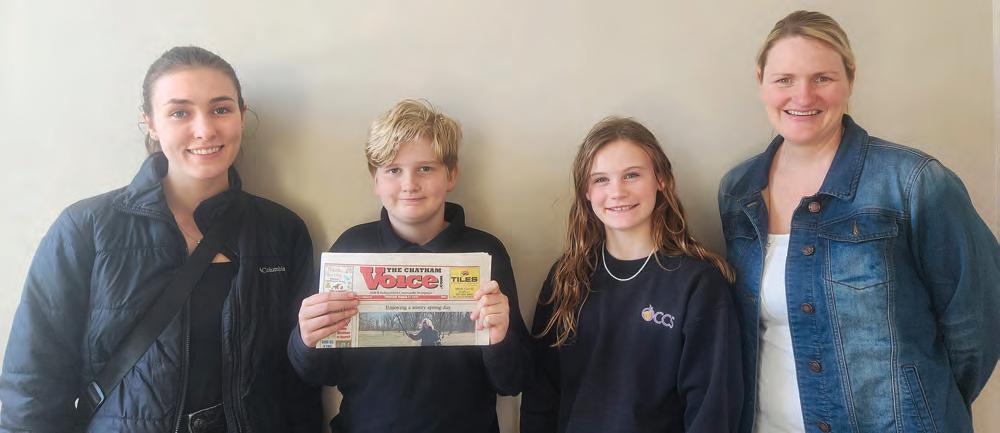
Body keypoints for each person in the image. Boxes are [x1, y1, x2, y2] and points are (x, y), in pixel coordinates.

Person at [0, 46, 322, 433]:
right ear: (151, 123)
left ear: (241, 113)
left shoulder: (281, 230)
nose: (205, 130)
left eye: (221, 109)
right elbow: (33, 385)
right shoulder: (86, 228)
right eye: (180, 113)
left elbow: (297, 384)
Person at [718, 10, 1000, 433]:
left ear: (850, 79)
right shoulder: (738, 192)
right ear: (761, 81)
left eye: (822, 78)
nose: (803, 96)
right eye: (784, 79)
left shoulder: (914, 183)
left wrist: (922, 407)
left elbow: (978, 321)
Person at [288, 99, 531, 432]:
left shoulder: (486, 253)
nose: (409, 184)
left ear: (451, 175)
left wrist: (500, 339)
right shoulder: (351, 249)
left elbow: (513, 380)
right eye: (393, 170)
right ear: (375, 179)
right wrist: (305, 339)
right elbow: (318, 374)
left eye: (425, 168)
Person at [521, 117, 742, 433]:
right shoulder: (566, 277)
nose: (617, 192)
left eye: (632, 175)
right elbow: (541, 395)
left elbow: (712, 409)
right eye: (601, 180)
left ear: (661, 179)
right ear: (586, 191)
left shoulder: (698, 284)